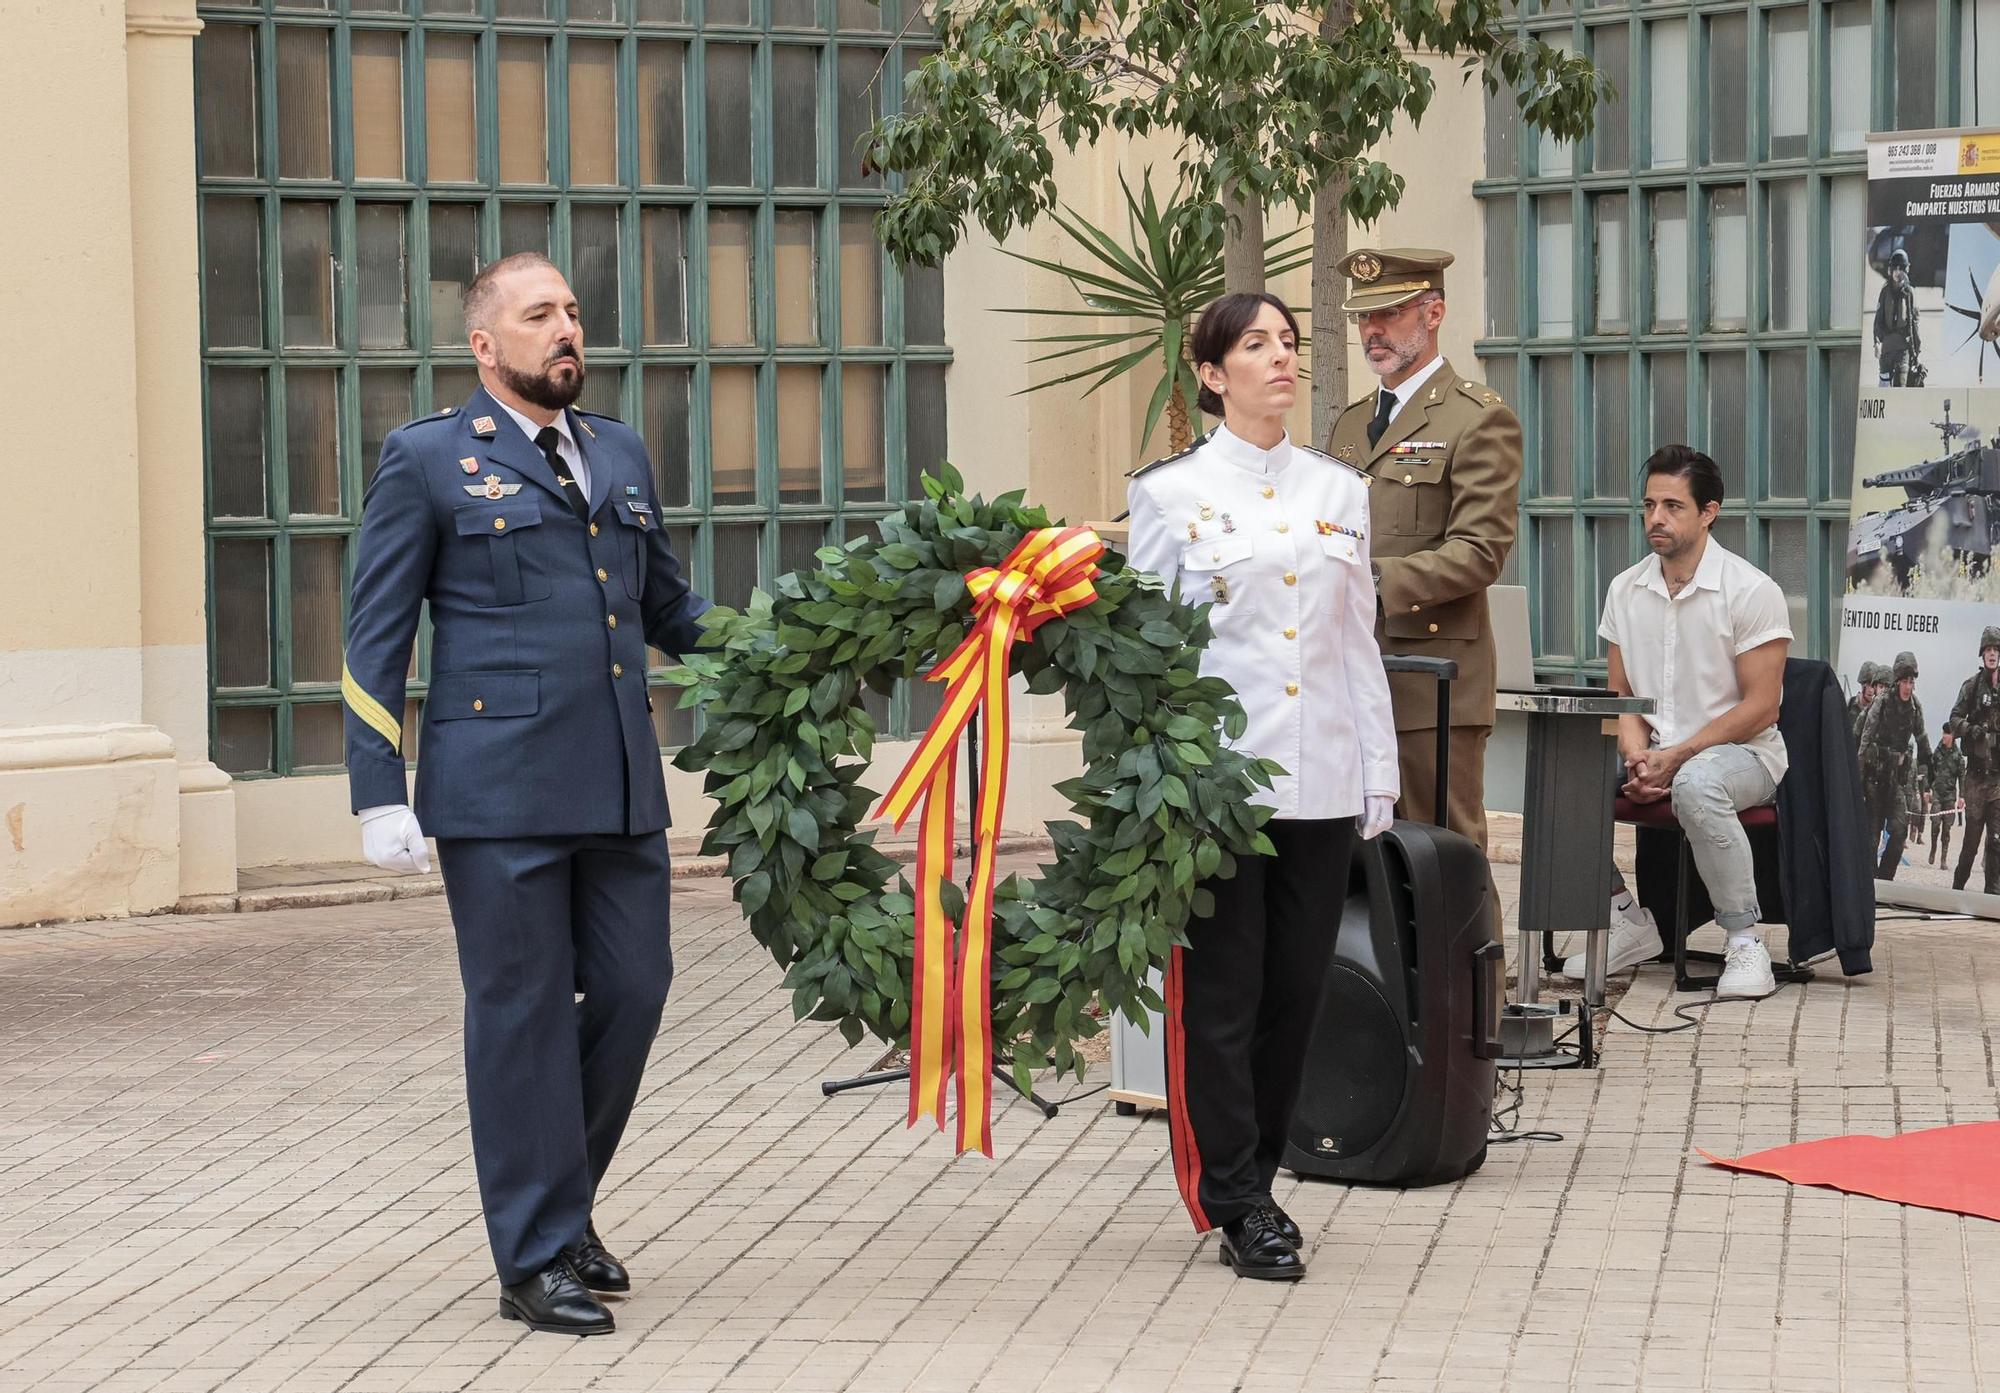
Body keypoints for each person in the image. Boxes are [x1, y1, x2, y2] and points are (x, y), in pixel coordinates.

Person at [342, 253, 711, 1335]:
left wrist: (801, 650)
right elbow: (374, 637)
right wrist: (378, 790)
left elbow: (668, 608)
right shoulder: (427, 459)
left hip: (616, 784)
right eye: (540, 314)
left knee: (635, 992)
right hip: (496, 791)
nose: (566, 331)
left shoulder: (619, 452)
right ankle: (535, 1254)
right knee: (522, 1018)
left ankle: (561, 1201)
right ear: (484, 344)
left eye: (574, 313)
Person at [1126, 292, 1398, 1281]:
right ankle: (1235, 1194)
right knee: (1224, 998)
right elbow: (1147, 664)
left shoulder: (1338, 491)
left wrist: (1377, 766)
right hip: (1216, 790)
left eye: (1287, 342)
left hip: (1319, 773)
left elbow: (1352, 641)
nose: (1279, 358)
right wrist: (1153, 789)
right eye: (1254, 345)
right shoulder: (1167, 497)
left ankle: (1262, 1171)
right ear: (1210, 374)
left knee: (1296, 992)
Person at [1563, 446, 1792, 999]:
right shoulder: (1625, 588)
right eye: (1649, 505)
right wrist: (1636, 757)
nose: (1656, 519)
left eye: (1672, 506)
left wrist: (1677, 757)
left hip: (1745, 756)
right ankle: (1628, 918)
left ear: (1709, 512)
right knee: (1562, 777)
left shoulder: (1750, 590)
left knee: (1697, 781)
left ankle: (1744, 940)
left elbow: (1763, 707)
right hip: (1658, 750)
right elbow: (1621, 698)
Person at [1322, 248, 1521, 854]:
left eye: (1389, 313)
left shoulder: (1477, 419)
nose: (1372, 331)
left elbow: (1480, 552)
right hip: (1355, 670)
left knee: (1444, 851)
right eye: (1363, 318)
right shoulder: (1351, 425)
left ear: (1433, 313)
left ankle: (1476, 957)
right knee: (1364, 856)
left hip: (1432, 679)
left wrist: (1370, 580)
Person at [1859, 651, 1931, 879]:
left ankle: (1885, 879)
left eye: (1912, 682)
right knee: (1871, 840)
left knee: (1899, 832)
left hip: (1895, 782)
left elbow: (1922, 738)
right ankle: (1870, 886)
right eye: (1905, 681)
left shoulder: (1915, 708)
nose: (1908, 686)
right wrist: (1857, 781)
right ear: (1898, 681)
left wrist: (1929, 766)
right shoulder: (1880, 704)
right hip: (1874, 780)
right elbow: (1864, 742)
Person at [1950, 627, 2000, 894]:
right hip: (1976, 778)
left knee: (1997, 840)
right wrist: (1971, 729)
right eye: (1988, 650)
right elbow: (1954, 719)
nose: (1992, 654)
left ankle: (1993, 896)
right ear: (1982, 655)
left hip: (1998, 778)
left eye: (1996, 650)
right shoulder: (1971, 687)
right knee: (1971, 841)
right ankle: (1958, 889)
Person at [1873, 247, 1924, 387]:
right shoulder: (1884, 292)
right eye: (1894, 268)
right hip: (1887, 349)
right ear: (1890, 270)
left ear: (1906, 270)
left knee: (1900, 388)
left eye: (1900, 268)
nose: (1897, 272)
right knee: (1884, 390)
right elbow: (1878, 319)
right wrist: (1876, 342)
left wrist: (1917, 350)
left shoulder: (1909, 293)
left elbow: (1914, 322)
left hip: (1903, 350)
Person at [1929, 721, 1965, 869]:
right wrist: (1927, 790)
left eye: (1947, 733)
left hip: (1950, 795)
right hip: (1937, 793)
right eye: (1943, 733)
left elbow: (1962, 776)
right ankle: (1933, 849)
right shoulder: (1937, 752)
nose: (1944, 736)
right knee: (1935, 823)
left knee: (1947, 829)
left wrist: (1962, 796)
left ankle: (1943, 859)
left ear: (1953, 736)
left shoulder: (1958, 756)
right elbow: (1930, 772)